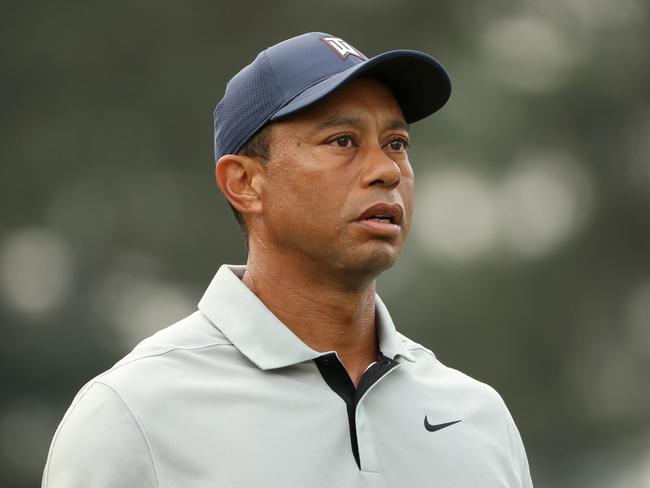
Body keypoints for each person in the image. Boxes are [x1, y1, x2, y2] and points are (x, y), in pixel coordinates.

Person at [42, 32, 533, 487]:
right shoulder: (132, 414)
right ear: (244, 183)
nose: (386, 170)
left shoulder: (476, 415)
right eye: (342, 141)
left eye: (396, 144)